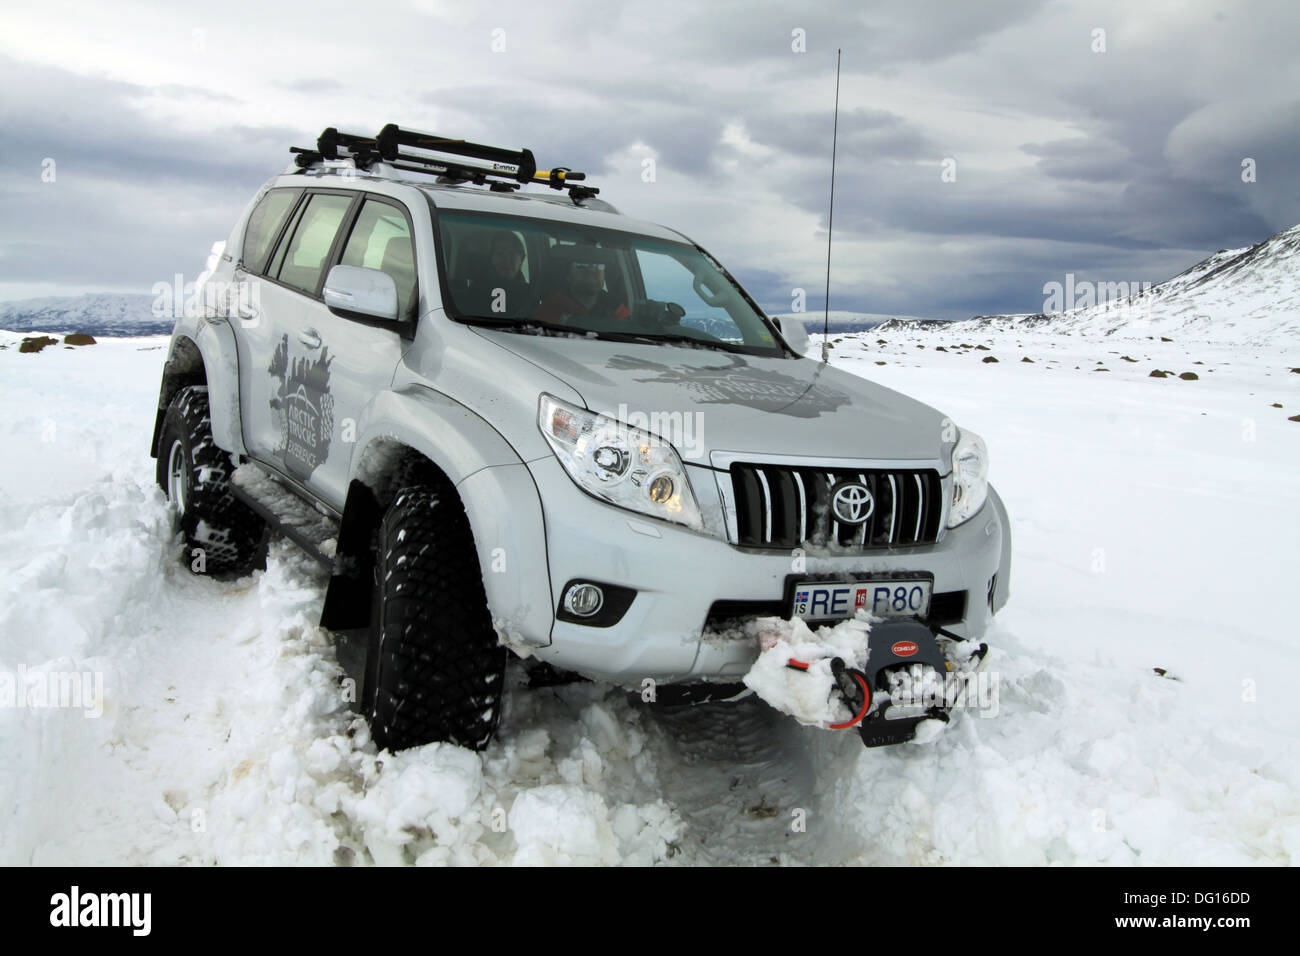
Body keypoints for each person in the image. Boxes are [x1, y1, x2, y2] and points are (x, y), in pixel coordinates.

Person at [534, 258, 631, 324]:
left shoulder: (617, 308)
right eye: (582, 265)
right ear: (568, 275)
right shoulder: (552, 307)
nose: (592, 270)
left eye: (598, 265)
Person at [466, 232, 534, 317]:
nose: (507, 260)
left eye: (512, 254)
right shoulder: (476, 290)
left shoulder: (531, 293)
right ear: (491, 258)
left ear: (522, 258)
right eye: (500, 254)